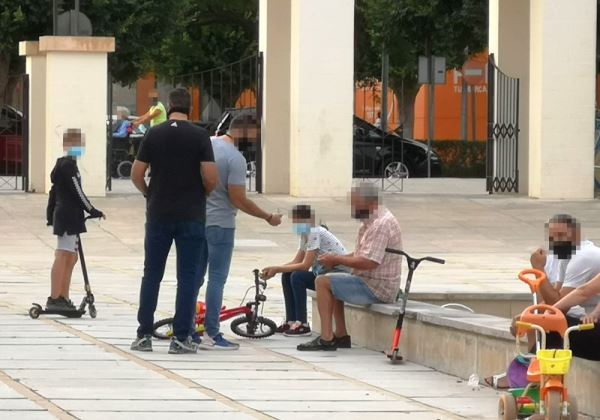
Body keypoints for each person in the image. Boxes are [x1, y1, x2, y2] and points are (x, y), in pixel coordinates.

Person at [129, 88, 218, 354]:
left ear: (168, 107)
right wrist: (201, 194)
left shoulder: (154, 133)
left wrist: (149, 194)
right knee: (187, 277)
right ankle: (181, 337)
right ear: (190, 107)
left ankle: (144, 334)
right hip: (191, 214)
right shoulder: (200, 135)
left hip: (158, 213)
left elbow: (136, 173)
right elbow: (211, 177)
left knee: (152, 274)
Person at [485, 214, 600, 387]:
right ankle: (543, 387)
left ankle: (529, 378)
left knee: (551, 329)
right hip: (592, 323)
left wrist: (538, 269)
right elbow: (569, 297)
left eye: (561, 236)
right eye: (552, 237)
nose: (556, 241)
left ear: (576, 234)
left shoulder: (586, 256)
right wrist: (537, 315)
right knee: (544, 323)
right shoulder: (565, 255)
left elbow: (569, 297)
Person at [198, 113, 281, 350]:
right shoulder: (235, 158)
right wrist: (268, 217)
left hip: (197, 220)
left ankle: (186, 329)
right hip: (221, 225)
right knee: (216, 279)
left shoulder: (208, 145)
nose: (256, 141)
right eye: (255, 135)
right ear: (244, 131)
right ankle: (211, 334)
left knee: (193, 277)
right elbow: (238, 199)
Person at [297, 183, 402, 351]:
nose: (353, 209)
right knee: (334, 277)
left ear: (371, 203)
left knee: (322, 282)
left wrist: (337, 258)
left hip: (377, 286)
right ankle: (341, 335)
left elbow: (369, 262)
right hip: (369, 280)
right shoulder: (371, 221)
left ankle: (326, 338)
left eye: (356, 205)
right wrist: (336, 260)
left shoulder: (381, 225)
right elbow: (361, 253)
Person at [261, 204, 348, 337]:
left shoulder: (314, 232)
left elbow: (304, 266)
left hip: (336, 275)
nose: (296, 225)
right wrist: (275, 269)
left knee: (298, 277)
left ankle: (302, 324)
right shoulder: (305, 235)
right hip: (322, 275)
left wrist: (277, 268)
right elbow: (296, 261)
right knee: (287, 274)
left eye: (297, 221)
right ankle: (290, 320)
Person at [46, 128, 104, 311]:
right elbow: (76, 192)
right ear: (67, 145)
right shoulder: (67, 166)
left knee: (71, 256)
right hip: (67, 216)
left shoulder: (70, 165)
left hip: (71, 216)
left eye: (80, 144)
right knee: (63, 254)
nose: (79, 147)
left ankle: (63, 296)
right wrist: (92, 209)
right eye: (76, 144)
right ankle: (55, 297)